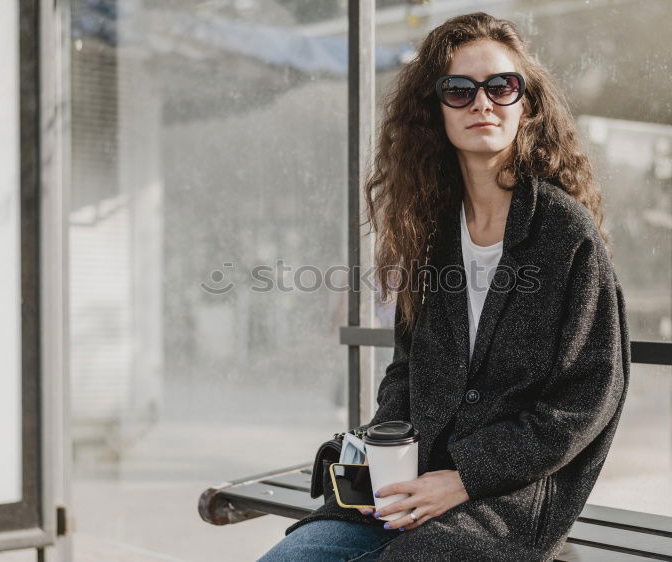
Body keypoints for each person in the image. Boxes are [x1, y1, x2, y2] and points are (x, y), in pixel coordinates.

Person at [259, 11, 630, 562]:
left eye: (502, 86)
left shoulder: (563, 232)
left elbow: (588, 397)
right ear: (436, 112)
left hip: (508, 498)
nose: (482, 102)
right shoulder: (433, 232)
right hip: (409, 483)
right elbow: (407, 370)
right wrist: (383, 455)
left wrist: (463, 478)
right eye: (459, 90)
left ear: (525, 105)